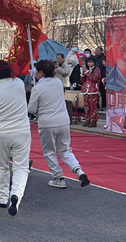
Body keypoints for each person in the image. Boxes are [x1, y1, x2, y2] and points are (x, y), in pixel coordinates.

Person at [28, 60, 90, 190]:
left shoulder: (37, 88)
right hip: (63, 120)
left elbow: (31, 109)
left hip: (47, 123)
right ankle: (78, 170)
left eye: (36, 71)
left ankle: (58, 177)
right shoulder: (58, 83)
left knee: (49, 152)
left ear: (41, 72)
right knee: (64, 150)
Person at [0, 60, 32, 216]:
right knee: (21, 167)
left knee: (0, 165)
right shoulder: (18, 84)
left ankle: (2, 197)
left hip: (0, 132)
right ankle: (16, 193)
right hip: (21, 130)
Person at [80, 56, 102, 128]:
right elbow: (83, 80)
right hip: (86, 90)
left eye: (91, 62)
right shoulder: (87, 69)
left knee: (93, 106)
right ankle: (87, 119)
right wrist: (82, 74)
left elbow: (94, 79)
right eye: (88, 62)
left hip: (93, 91)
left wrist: (87, 72)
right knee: (86, 106)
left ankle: (94, 120)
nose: (89, 64)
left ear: (94, 63)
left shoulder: (97, 70)